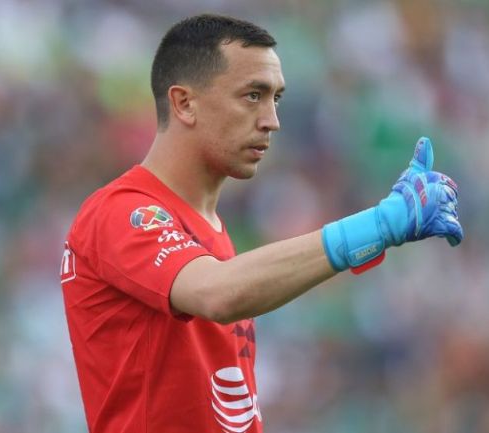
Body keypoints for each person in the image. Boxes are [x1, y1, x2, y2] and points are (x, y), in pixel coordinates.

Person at [59, 13, 463, 433]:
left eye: (276, 98)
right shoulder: (122, 211)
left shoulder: (210, 232)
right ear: (184, 103)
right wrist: (377, 226)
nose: (272, 120)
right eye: (253, 95)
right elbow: (218, 294)